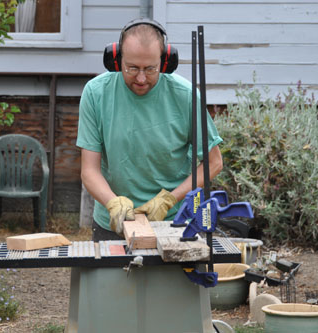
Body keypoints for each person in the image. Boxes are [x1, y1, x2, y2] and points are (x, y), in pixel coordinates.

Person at [76, 18, 223, 241]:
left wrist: (169, 200)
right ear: (116, 59)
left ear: (165, 62)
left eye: (151, 69)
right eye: (132, 68)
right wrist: (112, 202)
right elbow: (89, 170)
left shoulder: (185, 96)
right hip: (113, 223)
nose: (142, 78)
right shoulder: (96, 93)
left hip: (175, 222)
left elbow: (214, 162)